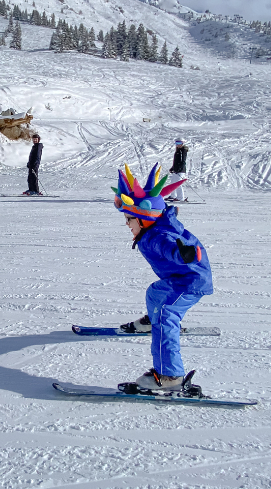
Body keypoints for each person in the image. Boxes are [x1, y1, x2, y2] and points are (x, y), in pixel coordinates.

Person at [113, 163, 213, 391]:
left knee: (166, 316)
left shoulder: (157, 236)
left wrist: (183, 254)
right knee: (155, 292)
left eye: (129, 219)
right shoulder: (154, 229)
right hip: (181, 278)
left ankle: (169, 376)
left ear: (142, 219)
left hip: (189, 282)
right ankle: (151, 321)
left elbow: (170, 248)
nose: (127, 225)